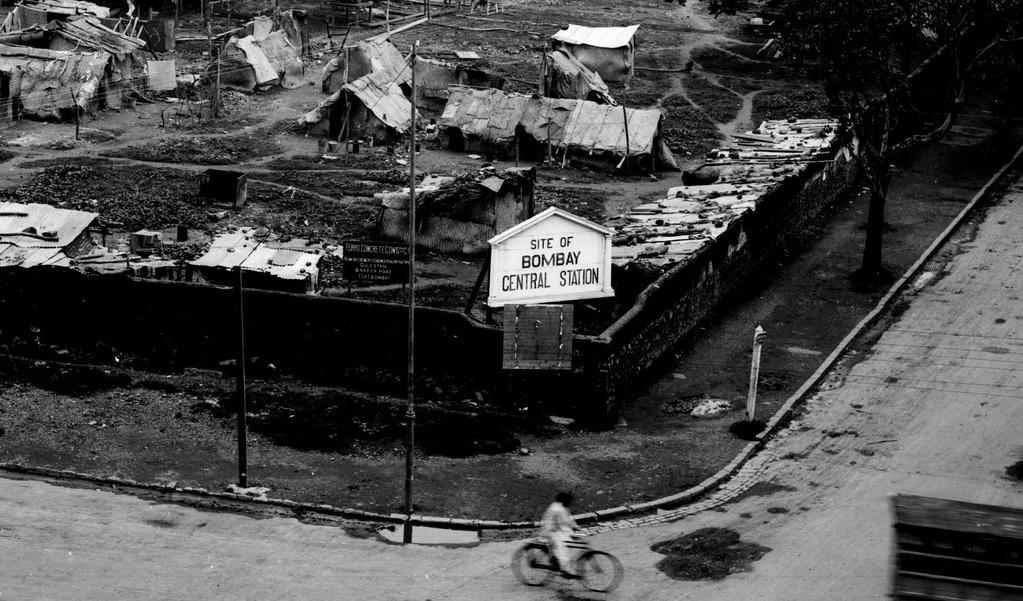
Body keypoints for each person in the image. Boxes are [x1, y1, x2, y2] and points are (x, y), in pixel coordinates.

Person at [540, 492, 580, 578]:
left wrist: (575, 527)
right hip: (551, 531)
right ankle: (565, 571)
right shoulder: (557, 509)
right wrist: (572, 529)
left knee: (565, 544)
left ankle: (558, 562)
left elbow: (569, 518)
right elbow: (564, 521)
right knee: (561, 548)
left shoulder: (563, 507)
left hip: (557, 529)